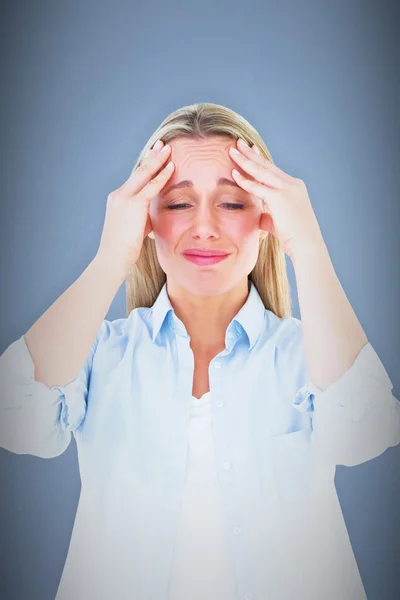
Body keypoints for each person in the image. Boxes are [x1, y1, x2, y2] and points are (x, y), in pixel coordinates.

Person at [1, 102, 399, 600]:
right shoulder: (102, 352)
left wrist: (309, 246)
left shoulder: (309, 354)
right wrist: (111, 258)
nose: (205, 226)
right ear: (146, 218)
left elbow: (365, 437)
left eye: (232, 203)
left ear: (266, 217)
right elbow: (14, 420)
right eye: (177, 203)